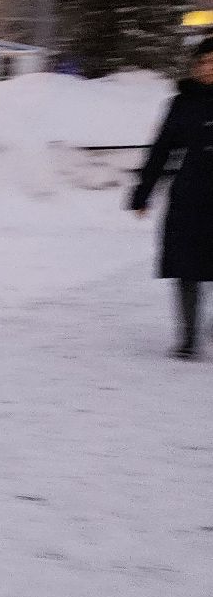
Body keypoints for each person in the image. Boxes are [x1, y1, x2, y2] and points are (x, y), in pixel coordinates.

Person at [130, 38, 213, 360]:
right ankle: (189, 337)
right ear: (194, 66)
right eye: (203, 62)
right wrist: (142, 193)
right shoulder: (181, 103)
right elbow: (162, 149)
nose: (208, 69)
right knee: (187, 268)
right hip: (190, 195)